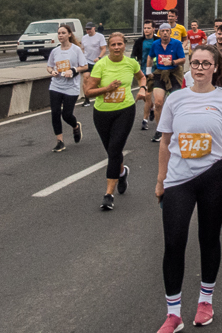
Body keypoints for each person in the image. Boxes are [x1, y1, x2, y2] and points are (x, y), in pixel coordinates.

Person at [154, 45, 222, 333]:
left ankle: (205, 301)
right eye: (195, 63)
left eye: (206, 63)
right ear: (189, 67)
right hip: (178, 179)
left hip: (214, 175)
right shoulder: (175, 99)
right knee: (174, 242)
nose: (199, 68)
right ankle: (173, 314)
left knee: (208, 238)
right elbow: (165, 141)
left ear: (215, 68)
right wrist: (160, 180)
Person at [85, 31, 147, 210]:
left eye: (120, 44)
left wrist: (142, 88)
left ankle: (108, 195)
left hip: (125, 111)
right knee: (112, 152)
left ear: (124, 46)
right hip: (102, 113)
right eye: (113, 45)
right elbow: (89, 92)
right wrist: (108, 88)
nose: (117, 47)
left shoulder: (131, 63)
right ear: (109, 47)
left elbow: (141, 76)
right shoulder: (101, 65)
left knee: (114, 150)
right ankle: (122, 172)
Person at [46, 23, 89, 152]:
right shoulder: (55, 51)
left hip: (71, 87)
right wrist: (52, 71)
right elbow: (49, 66)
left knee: (66, 115)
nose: (60, 35)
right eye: (59, 33)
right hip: (56, 85)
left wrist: (73, 70)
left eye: (63, 33)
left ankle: (75, 126)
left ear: (69, 34)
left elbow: (85, 66)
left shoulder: (76, 50)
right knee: (55, 113)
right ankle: (60, 141)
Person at [146, 23, 188, 142]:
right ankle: (160, 129)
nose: (165, 33)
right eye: (162, 31)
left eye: (167, 31)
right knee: (158, 103)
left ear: (170, 32)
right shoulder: (156, 44)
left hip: (173, 74)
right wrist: (149, 71)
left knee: (175, 103)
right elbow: (150, 57)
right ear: (159, 33)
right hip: (159, 74)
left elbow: (183, 59)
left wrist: (172, 62)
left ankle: (177, 127)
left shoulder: (176, 43)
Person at [132, 21, 156, 128]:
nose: (146, 30)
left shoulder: (158, 41)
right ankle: (149, 112)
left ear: (153, 29)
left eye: (148, 28)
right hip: (143, 72)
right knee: (146, 96)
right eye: (145, 28)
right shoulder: (139, 41)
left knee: (148, 95)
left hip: (156, 72)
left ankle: (146, 118)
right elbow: (133, 56)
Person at [80, 22, 107, 106]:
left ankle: (102, 95)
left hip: (97, 62)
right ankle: (87, 99)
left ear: (94, 28)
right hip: (87, 61)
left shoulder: (100, 37)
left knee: (99, 80)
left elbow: (103, 49)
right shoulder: (84, 38)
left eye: (89, 29)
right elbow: (82, 49)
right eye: (87, 29)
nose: (88, 31)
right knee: (85, 78)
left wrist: (99, 57)